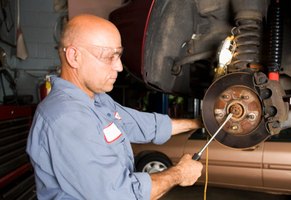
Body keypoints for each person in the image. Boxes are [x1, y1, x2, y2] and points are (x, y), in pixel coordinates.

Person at [26, 14, 203, 200]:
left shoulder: (98, 101)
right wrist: (179, 174)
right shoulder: (67, 118)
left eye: (118, 55)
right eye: (109, 56)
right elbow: (120, 195)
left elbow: (142, 124)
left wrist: (200, 122)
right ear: (74, 56)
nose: (119, 66)